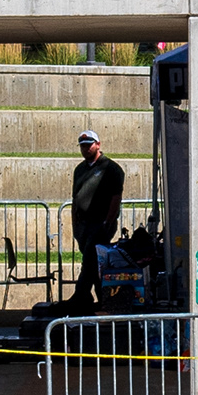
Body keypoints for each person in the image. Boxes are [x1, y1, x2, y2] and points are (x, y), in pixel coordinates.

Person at [68, 130, 125, 310]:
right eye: (83, 146)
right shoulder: (80, 170)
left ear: (98, 144)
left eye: (89, 145)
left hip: (100, 223)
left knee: (91, 260)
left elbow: (116, 198)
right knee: (92, 263)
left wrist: (108, 222)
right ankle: (102, 298)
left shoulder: (111, 169)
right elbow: (75, 199)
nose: (85, 149)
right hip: (83, 225)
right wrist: (75, 224)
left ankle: (81, 295)